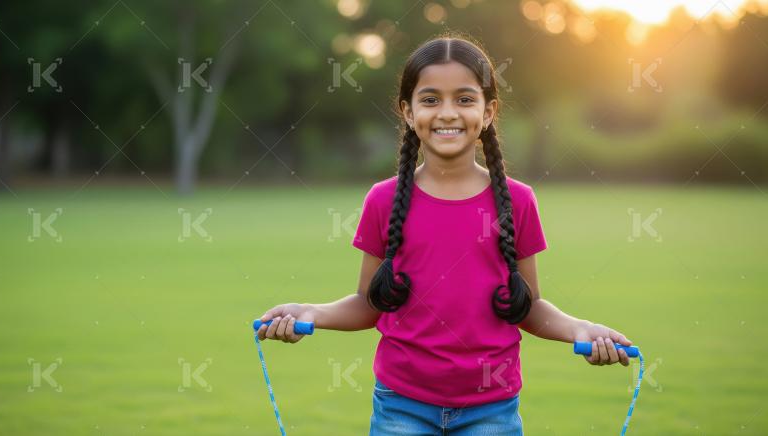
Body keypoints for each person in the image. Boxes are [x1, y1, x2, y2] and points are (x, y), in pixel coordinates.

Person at [256, 35, 633, 435]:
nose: (448, 113)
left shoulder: (518, 201)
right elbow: (369, 305)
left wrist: (580, 328)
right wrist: (311, 313)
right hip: (401, 406)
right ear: (407, 110)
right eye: (431, 99)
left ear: (488, 113)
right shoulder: (382, 201)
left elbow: (528, 306)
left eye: (465, 99)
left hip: (492, 410)